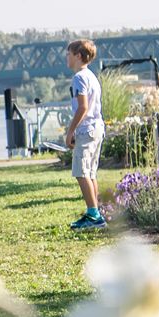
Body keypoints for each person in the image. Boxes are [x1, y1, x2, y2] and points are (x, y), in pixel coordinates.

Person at [66, 38, 106, 230]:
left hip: (86, 129)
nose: (67, 57)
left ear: (78, 56)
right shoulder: (91, 76)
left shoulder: (79, 78)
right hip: (97, 127)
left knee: (81, 172)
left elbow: (82, 107)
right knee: (90, 172)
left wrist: (70, 131)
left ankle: (93, 215)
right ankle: (95, 212)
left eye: (69, 54)